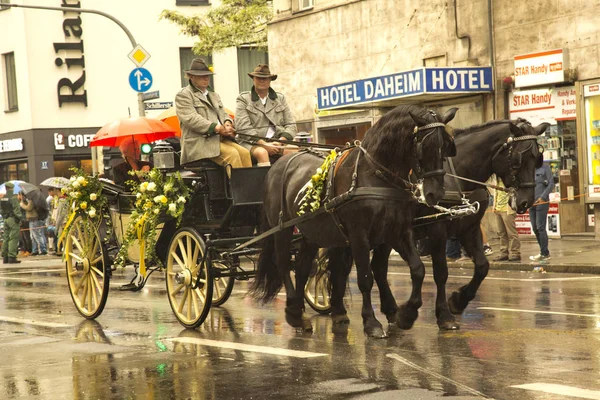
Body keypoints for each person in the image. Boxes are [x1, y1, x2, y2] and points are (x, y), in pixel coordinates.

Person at [175, 58, 251, 170]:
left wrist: (228, 123)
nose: (206, 78)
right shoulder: (183, 95)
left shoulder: (214, 95)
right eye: (201, 76)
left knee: (245, 153)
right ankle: (238, 187)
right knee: (232, 154)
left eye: (207, 75)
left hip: (218, 140)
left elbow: (224, 113)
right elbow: (191, 119)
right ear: (191, 77)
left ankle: (249, 187)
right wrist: (217, 128)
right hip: (199, 143)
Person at [235, 64, 298, 166]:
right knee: (262, 153)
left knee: (293, 150)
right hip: (252, 143)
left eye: (265, 78)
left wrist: (279, 142)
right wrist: (264, 145)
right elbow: (243, 128)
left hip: (277, 141)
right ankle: (265, 182)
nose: (261, 81)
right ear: (253, 79)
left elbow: (291, 126)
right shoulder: (243, 99)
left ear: (270, 80)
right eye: (258, 78)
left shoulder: (280, 98)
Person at [529, 156, 554, 261]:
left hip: (542, 202)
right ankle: (542, 250)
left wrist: (542, 197)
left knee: (540, 227)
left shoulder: (545, 168)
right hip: (531, 203)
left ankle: (545, 252)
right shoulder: (529, 170)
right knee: (535, 228)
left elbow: (551, 184)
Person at [492, 178, 521, 261]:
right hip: (498, 209)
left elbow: (515, 191)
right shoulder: (496, 180)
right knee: (501, 233)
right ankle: (503, 253)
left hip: (507, 209)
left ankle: (515, 253)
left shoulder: (510, 180)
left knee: (511, 233)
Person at [1, 182, 22, 263]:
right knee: (13, 237)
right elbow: (17, 210)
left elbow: (1, 210)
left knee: (6, 238)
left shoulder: (3, 198)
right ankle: (12, 256)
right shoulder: (13, 198)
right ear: (12, 188)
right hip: (13, 219)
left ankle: (5, 256)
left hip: (5, 219)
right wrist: (19, 218)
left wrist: (4, 216)